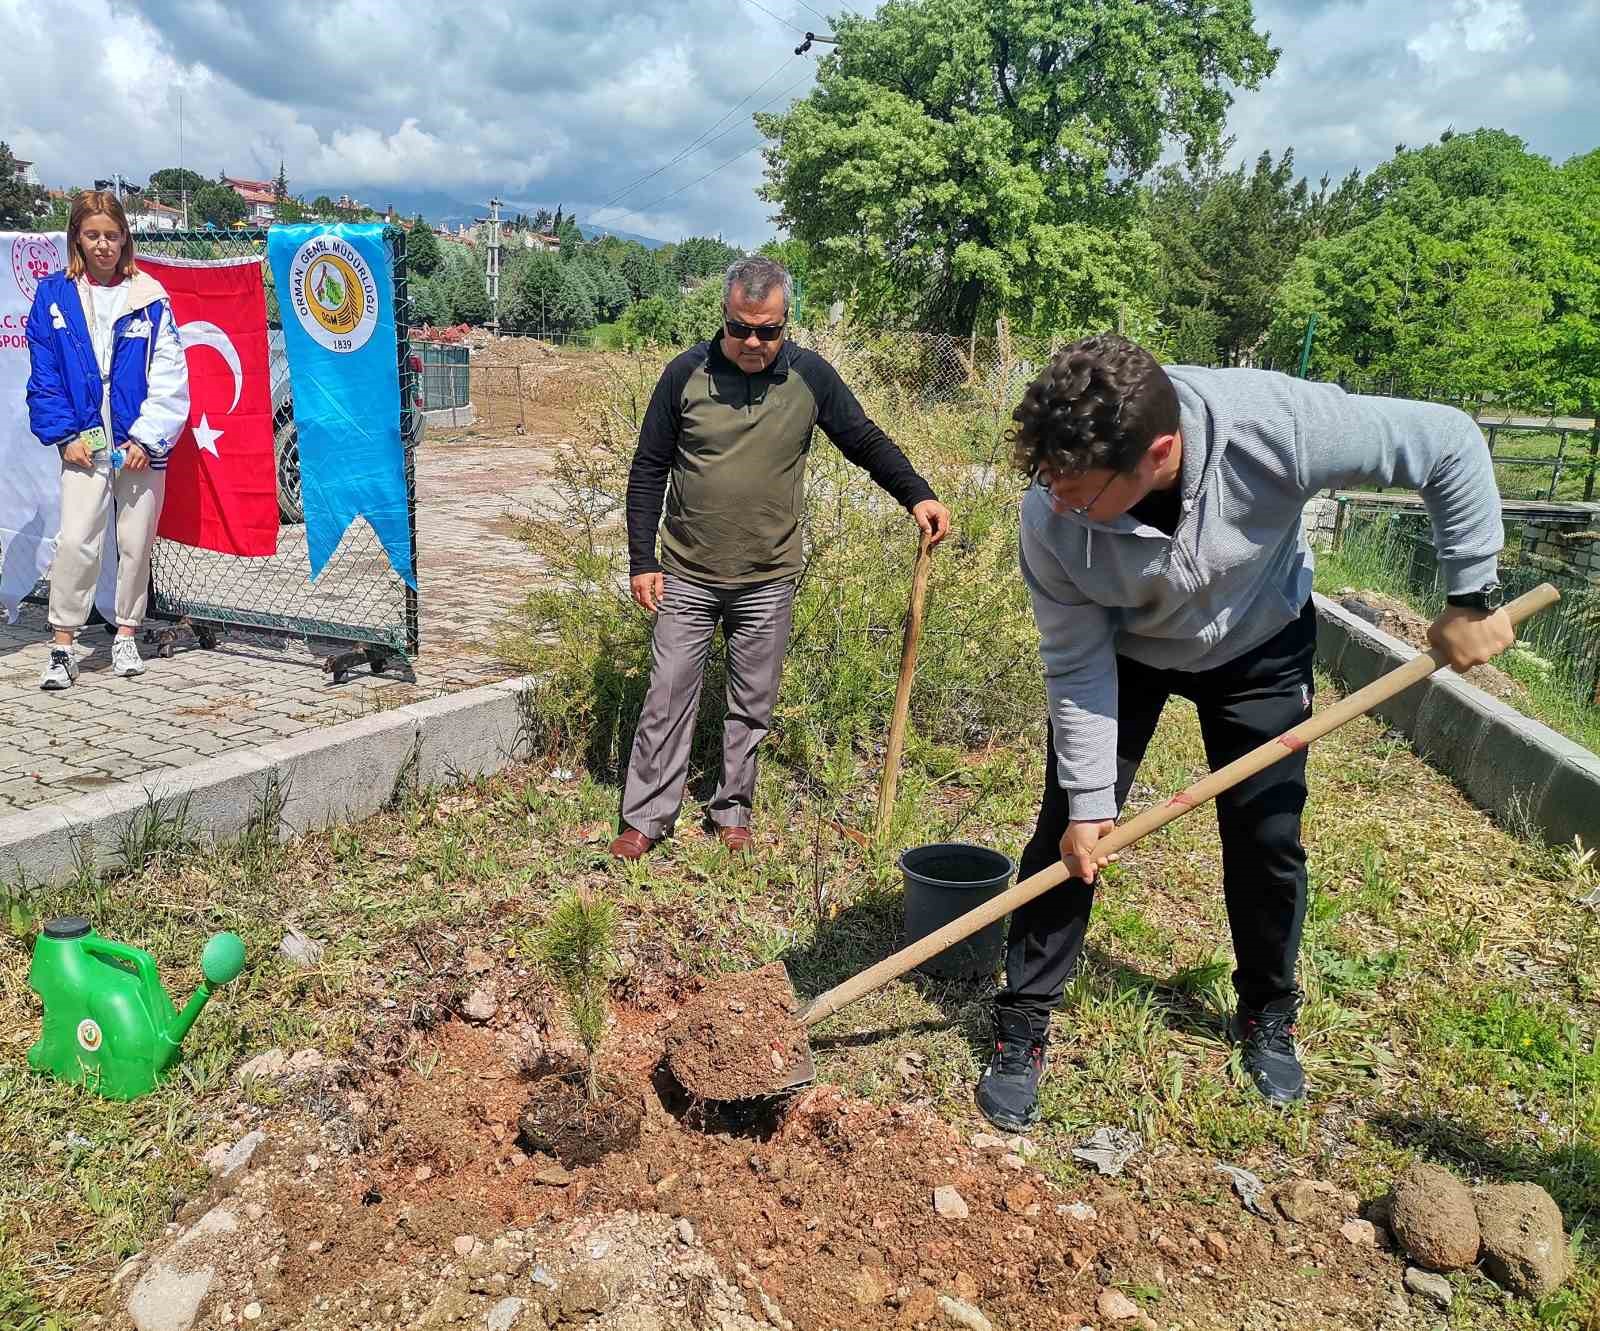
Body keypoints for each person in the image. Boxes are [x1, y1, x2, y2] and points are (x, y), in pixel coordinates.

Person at [976, 333, 1511, 1129]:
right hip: (1129, 651)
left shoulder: (1278, 425)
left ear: (1158, 453)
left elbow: (1446, 442)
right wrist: (1093, 801)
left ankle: (1268, 1010)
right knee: (1066, 830)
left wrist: (1471, 591)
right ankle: (1023, 1021)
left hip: (1260, 638)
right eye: (1045, 477)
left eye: (1077, 490)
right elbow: (1075, 661)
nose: (1054, 498)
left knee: (1267, 833)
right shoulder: (1050, 517)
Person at [610, 257, 951, 858]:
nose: (752, 342)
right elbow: (648, 468)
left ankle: (732, 812)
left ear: (787, 323)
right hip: (687, 571)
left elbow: (863, 439)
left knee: (752, 703)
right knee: (666, 695)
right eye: (741, 327)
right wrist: (643, 559)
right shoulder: (684, 375)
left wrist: (916, 493)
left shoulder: (810, 378)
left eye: (768, 330)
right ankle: (646, 817)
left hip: (768, 576)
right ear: (724, 316)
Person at [26, 190, 188, 689]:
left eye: (112, 236)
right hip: (83, 443)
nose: (102, 245)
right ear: (77, 235)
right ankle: (63, 646)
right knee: (76, 540)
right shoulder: (53, 295)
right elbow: (45, 375)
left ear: (125, 240)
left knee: (136, 542)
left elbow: (170, 374)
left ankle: (126, 633)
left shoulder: (150, 296)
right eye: (93, 234)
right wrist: (63, 435)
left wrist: (146, 437)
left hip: (137, 447)